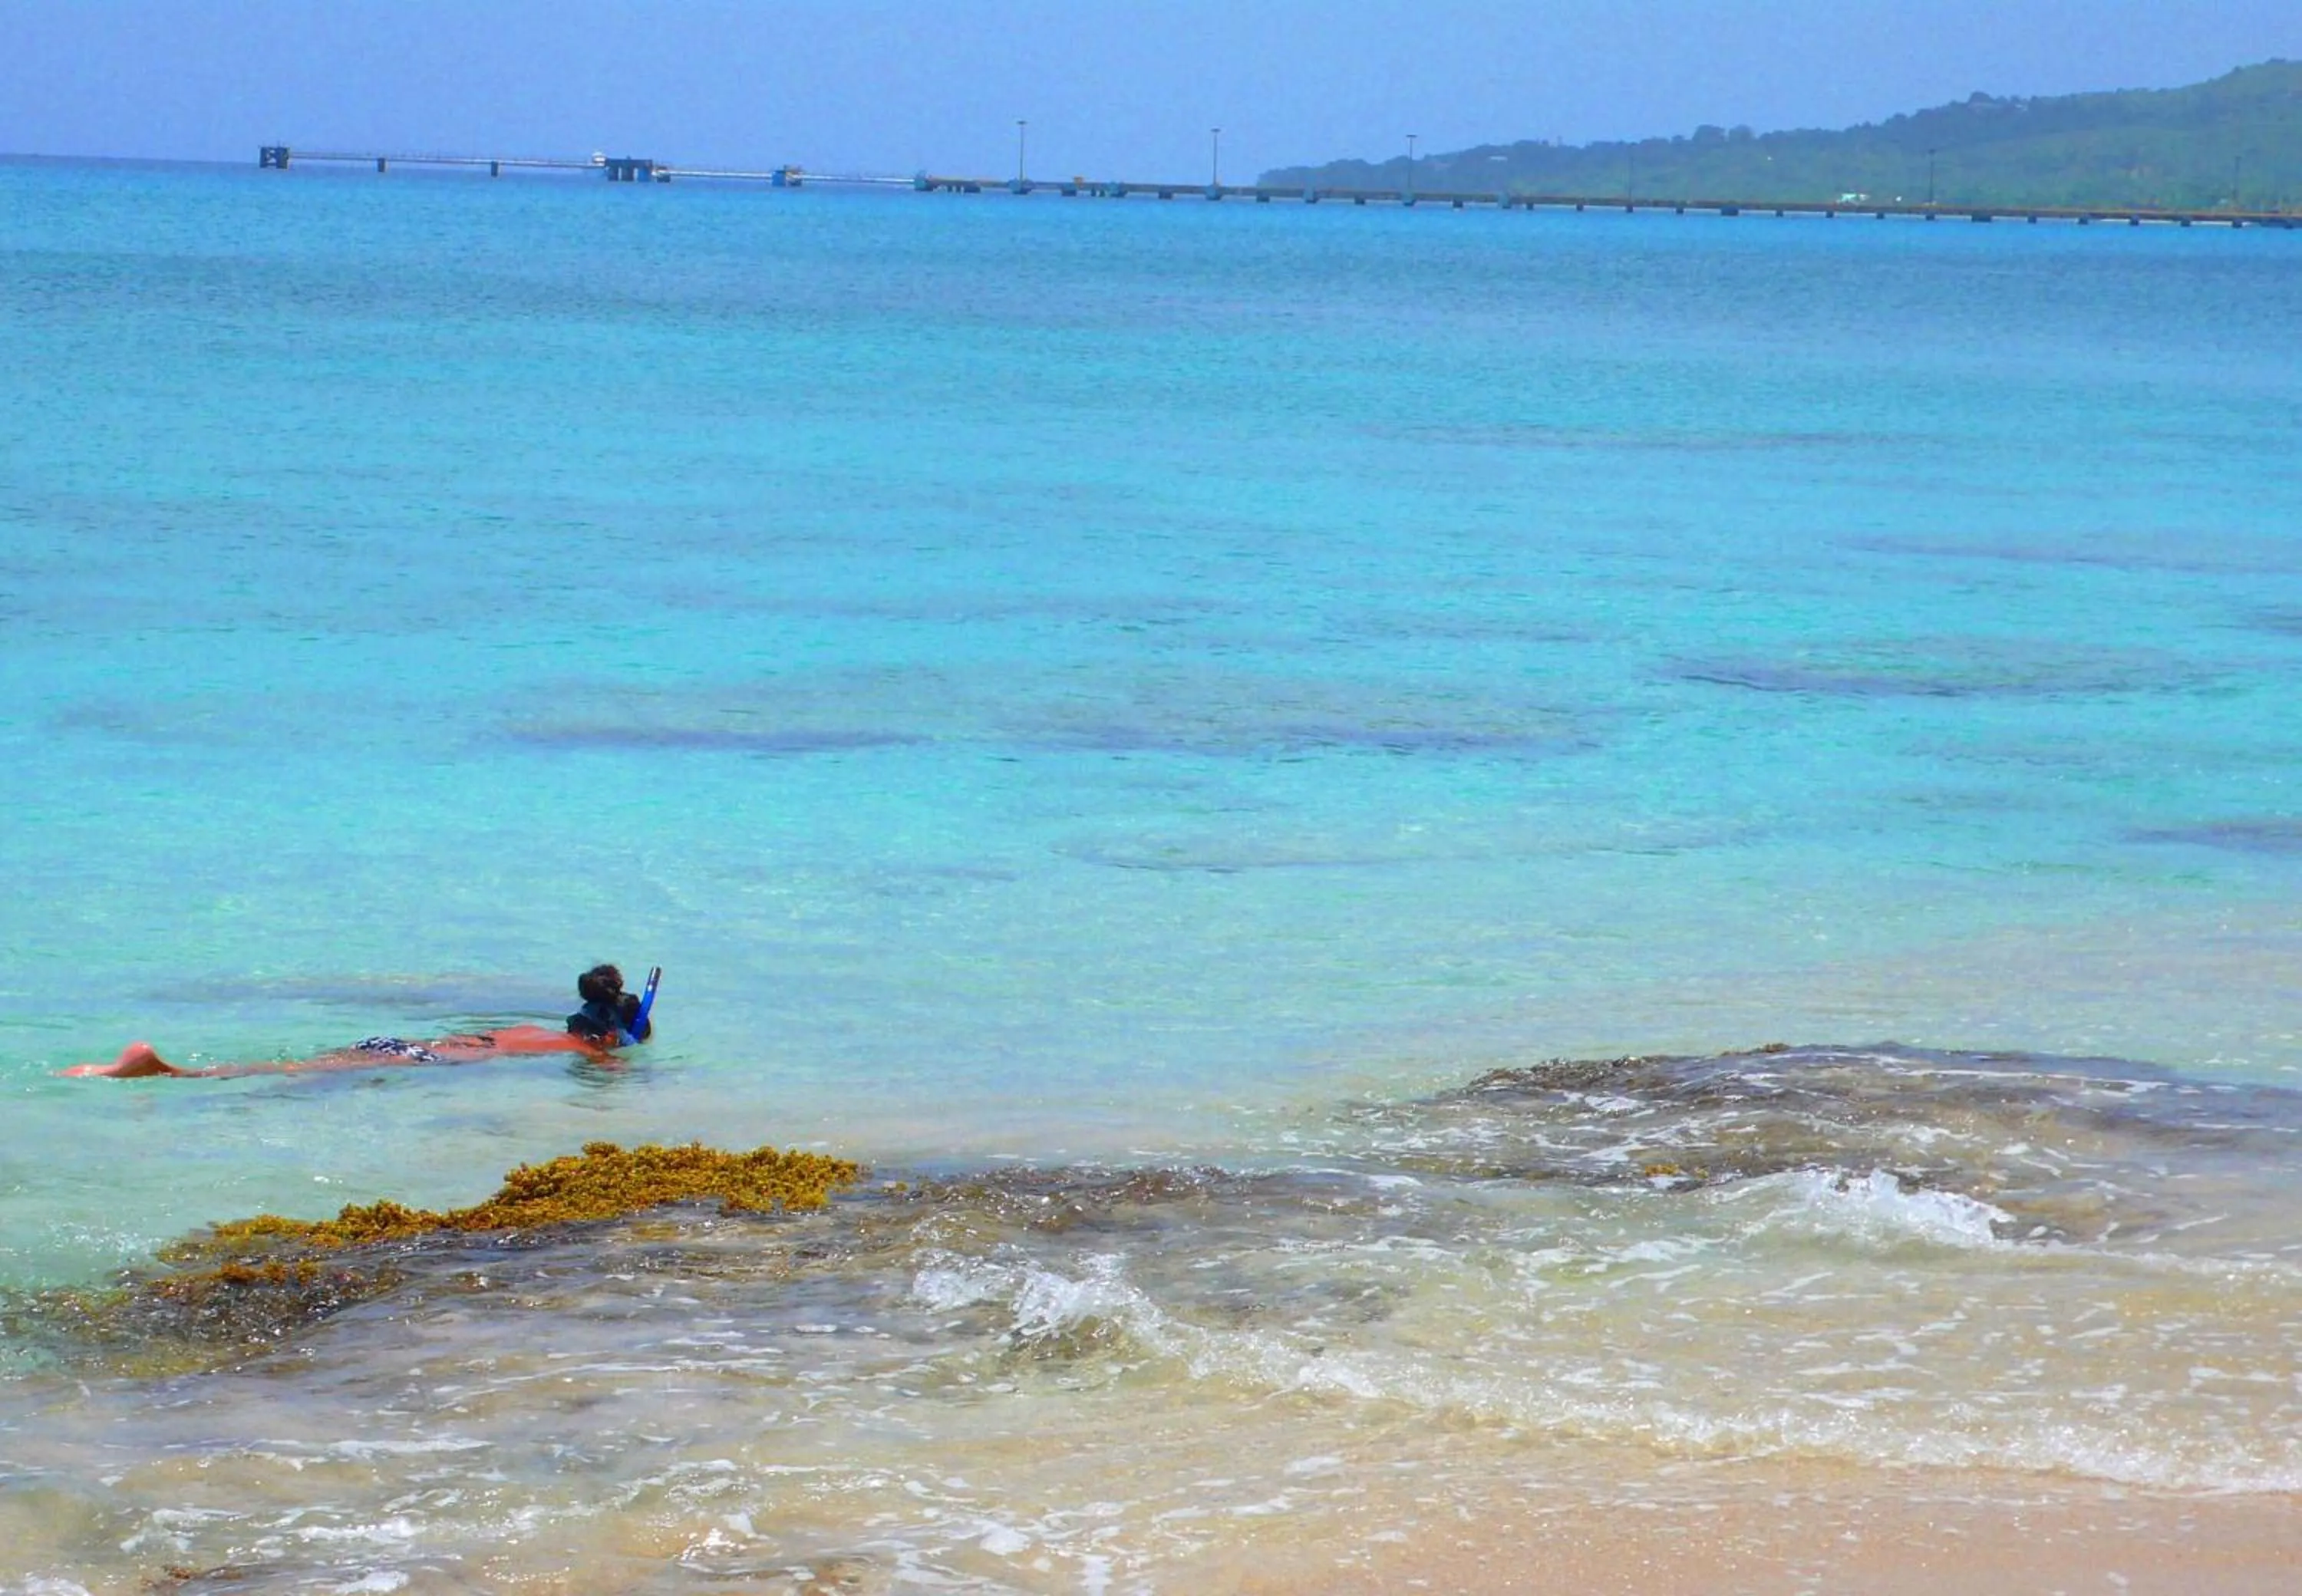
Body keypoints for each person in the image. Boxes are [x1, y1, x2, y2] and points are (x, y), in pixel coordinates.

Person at [64, 965, 660, 1079]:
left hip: (414, 1045)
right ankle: (169, 1073)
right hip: (427, 1061)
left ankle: (154, 1071)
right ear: (612, 1034)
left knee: (302, 1066)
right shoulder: (590, 1054)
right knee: (290, 1074)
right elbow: (611, 1071)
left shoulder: (537, 1028)